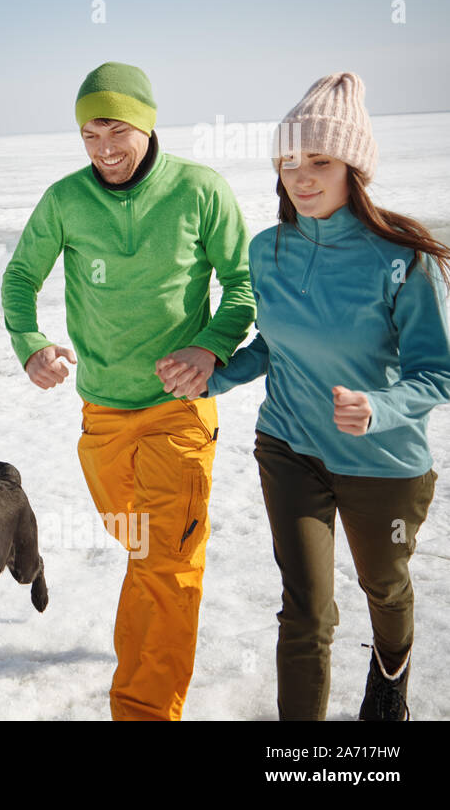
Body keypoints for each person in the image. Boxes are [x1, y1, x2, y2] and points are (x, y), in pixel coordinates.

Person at [183, 72, 450, 720]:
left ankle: (390, 677)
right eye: (287, 163)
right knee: (305, 604)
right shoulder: (268, 250)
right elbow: (274, 347)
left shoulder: (402, 260)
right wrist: (211, 377)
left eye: (320, 161)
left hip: (383, 462)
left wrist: (377, 408)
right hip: (289, 448)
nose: (300, 177)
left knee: (384, 586)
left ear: (353, 166)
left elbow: (435, 372)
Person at [2, 61, 255, 720]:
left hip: (180, 412)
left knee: (165, 565)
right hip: (103, 413)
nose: (103, 147)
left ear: (146, 122)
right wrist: (31, 345)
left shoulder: (200, 190)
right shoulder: (65, 199)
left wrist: (210, 346)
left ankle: (142, 708)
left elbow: (245, 283)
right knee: (142, 547)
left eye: (115, 128)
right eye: (88, 134)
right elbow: (20, 278)